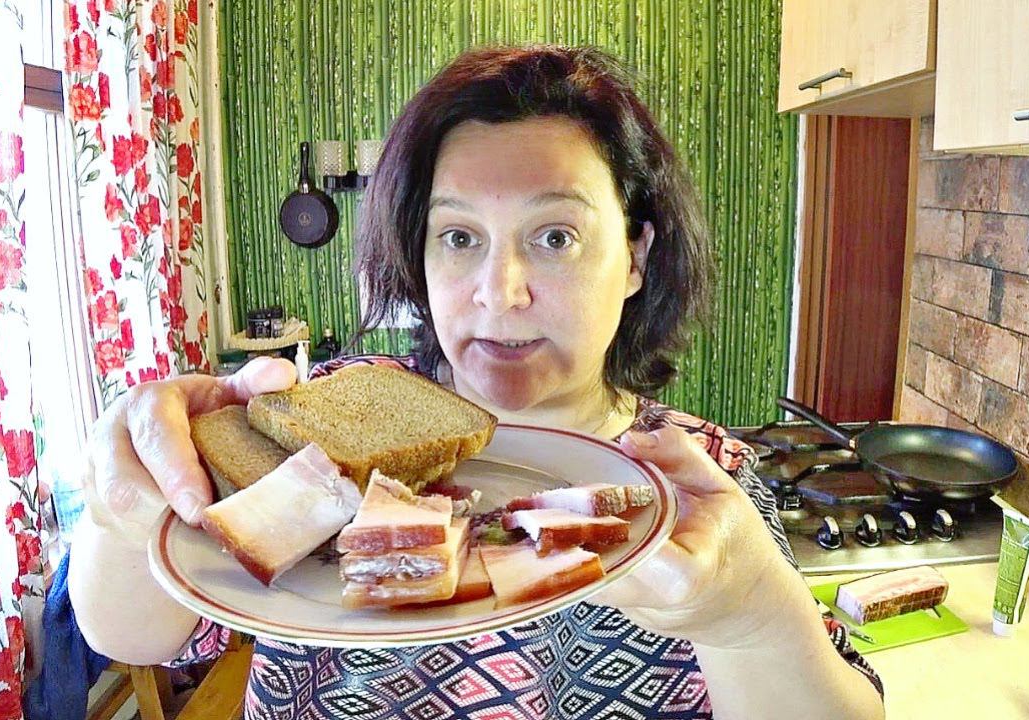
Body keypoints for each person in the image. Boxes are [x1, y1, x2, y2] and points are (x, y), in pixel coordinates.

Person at [67, 45, 885, 719]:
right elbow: (130, 635)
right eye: (459, 237)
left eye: (556, 236)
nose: (500, 291)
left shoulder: (702, 480)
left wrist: (753, 617)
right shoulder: (314, 427)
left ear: (636, 258)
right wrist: (121, 506)